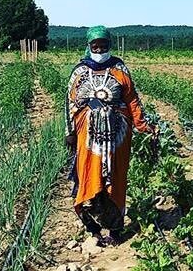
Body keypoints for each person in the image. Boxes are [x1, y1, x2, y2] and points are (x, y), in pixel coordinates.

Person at [64, 25, 157, 246]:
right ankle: (93, 227)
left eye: (103, 45)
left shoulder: (119, 68)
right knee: (89, 175)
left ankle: (115, 229)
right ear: (89, 46)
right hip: (88, 139)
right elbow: (69, 102)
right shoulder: (80, 71)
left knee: (115, 178)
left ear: (109, 45)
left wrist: (144, 126)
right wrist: (69, 132)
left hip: (117, 138)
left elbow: (132, 100)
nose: (99, 49)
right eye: (95, 45)